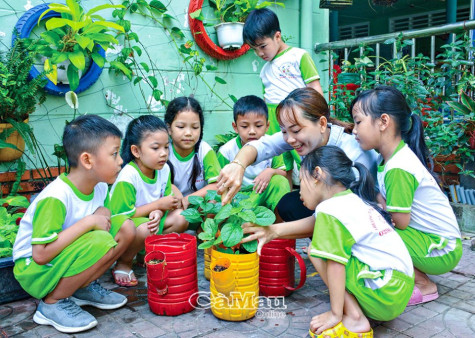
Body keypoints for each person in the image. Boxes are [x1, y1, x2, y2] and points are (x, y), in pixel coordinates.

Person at [242, 146, 414, 337]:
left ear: (317, 175)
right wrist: (272, 231)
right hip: (398, 289)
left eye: (301, 178)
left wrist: (335, 313)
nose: (300, 191)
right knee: (321, 247)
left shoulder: (331, 208)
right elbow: (312, 223)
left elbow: (335, 262)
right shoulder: (348, 200)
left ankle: (355, 317)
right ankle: (357, 308)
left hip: (386, 292)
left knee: (318, 251)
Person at [13, 115, 135, 333]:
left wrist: (99, 215)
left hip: (62, 259)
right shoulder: (57, 197)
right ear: (87, 160)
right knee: (101, 239)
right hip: (35, 270)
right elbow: (40, 254)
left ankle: (83, 288)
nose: (120, 161)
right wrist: (89, 222)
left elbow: (105, 212)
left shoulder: (99, 185)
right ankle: (51, 304)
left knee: (126, 227)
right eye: (114, 154)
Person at [350, 86, 462, 306]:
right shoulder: (391, 159)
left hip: (441, 249)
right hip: (432, 242)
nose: (354, 130)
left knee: (374, 231)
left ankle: (423, 284)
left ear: (383, 122)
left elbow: (399, 222)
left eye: (358, 122)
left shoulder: (398, 167)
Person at [217, 87, 378, 223]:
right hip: (328, 208)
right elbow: (261, 146)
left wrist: (274, 231)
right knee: (289, 204)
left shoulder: (353, 152)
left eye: (295, 130)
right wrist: (238, 165)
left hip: (359, 217)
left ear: (322, 124)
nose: (290, 139)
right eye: (284, 131)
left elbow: (342, 213)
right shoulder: (304, 137)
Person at [243, 8, 324, 176]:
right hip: (275, 123)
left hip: (297, 121)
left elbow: (315, 88)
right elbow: (266, 100)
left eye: (263, 46)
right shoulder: (264, 70)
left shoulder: (299, 56)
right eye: (254, 49)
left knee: (308, 161)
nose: (259, 53)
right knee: (282, 167)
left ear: (277, 36)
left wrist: (320, 115)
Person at [109, 115, 188, 287]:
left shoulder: (164, 169)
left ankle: (146, 255)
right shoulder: (128, 176)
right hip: (124, 229)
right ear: (136, 151)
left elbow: (166, 201)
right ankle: (123, 262)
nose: (163, 153)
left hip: (149, 222)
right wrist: (157, 206)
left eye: (166, 147)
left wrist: (159, 211)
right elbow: (121, 216)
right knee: (146, 229)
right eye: (155, 148)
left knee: (182, 217)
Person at [217, 95, 290, 212]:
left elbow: (283, 173)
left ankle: (278, 224)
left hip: (262, 193)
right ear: (235, 127)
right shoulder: (226, 151)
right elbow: (220, 183)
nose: (252, 131)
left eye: (258, 125)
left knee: (280, 182)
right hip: (238, 197)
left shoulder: (272, 145)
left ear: (267, 126)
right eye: (245, 126)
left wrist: (270, 171)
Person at [165, 96, 221, 207]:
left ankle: (203, 225)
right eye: (181, 127)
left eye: (195, 127)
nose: (188, 133)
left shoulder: (204, 150)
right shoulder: (164, 151)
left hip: (199, 207)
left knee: (214, 203)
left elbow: (216, 185)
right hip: (174, 208)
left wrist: (189, 199)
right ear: (169, 129)